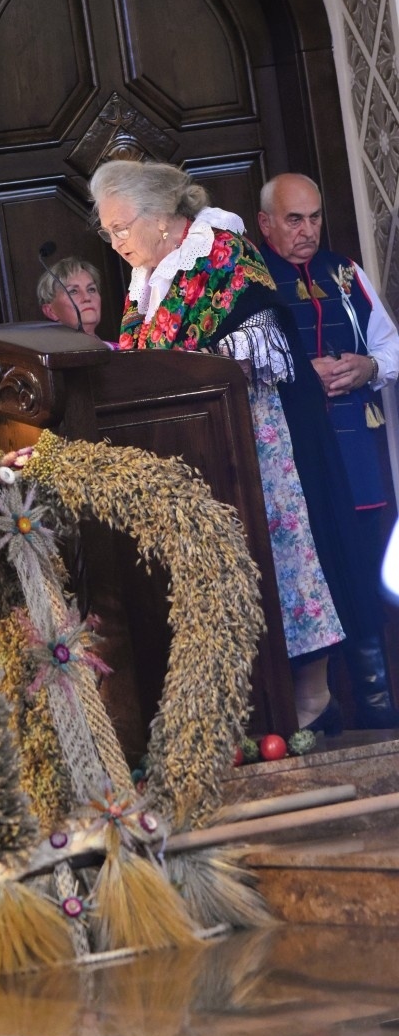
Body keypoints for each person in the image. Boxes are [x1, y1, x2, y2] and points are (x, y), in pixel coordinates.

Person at [90, 158, 380, 734]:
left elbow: (258, 346)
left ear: (161, 217)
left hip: (262, 448)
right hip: (194, 452)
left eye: (121, 226)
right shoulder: (147, 275)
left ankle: (313, 694)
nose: (115, 240)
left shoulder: (224, 254)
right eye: (109, 230)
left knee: (291, 562)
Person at [258, 173, 399, 729]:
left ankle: (378, 707)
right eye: (295, 219)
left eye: (315, 217)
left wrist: (367, 366)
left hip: (361, 453)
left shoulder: (345, 272)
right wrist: (298, 376)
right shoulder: (249, 281)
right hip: (299, 459)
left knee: (370, 568)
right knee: (316, 570)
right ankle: (320, 706)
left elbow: (390, 346)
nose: (308, 230)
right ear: (266, 222)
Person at [37, 257, 102, 334]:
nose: (87, 297)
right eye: (73, 291)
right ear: (50, 312)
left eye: (91, 289)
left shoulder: (117, 346)